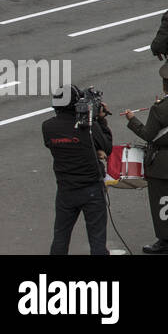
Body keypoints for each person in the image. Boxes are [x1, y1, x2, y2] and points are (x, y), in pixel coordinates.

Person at [124, 62, 168, 254]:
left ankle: (167, 240)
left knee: (162, 202)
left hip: (161, 162)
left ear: (164, 86)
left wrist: (132, 120)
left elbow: (148, 135)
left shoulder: (158, 109)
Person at [43, 84, 112, 255]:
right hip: (91, 190)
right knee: (97, 241)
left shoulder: (48, 127)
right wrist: (100, 120)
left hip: (65, 189)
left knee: (60, 238)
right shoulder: (88, 127)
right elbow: (107, 147)